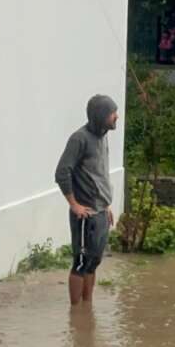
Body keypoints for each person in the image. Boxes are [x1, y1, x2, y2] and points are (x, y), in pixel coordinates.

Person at [55, 94, 118, 306]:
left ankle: (86, 309)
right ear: (101, 116)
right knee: (81, 263)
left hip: (100, 211)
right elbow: (62, 172)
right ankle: (75, 312)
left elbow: (98, 174)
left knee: (94, 262)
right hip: (85, 213)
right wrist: (74, 205)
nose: (116, 116)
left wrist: (106, 204)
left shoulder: (103, 136)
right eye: (112, 113)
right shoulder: (79, 139)